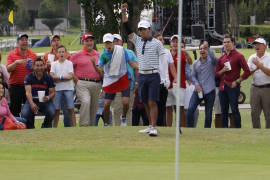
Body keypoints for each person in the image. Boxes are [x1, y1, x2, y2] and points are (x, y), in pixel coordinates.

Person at [122, 3, 165, 136]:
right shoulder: (138, 41)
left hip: (153, 76)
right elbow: (126, 28)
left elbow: (163, 61)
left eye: (144, 29)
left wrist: (164, 78)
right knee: (145, 101)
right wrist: (123, 13)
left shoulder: (157, 43)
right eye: (140, 29)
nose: (142, 31)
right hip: (142, 76)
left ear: (150, 29)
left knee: (152, 101)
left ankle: (154, 127)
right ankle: (150, 125)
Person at [97, 33, 138, 126]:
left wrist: (139, 68)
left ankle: (123, 116)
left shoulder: (123, 51)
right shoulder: (104, 55)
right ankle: (106, 123)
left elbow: (131, 63)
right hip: (111, 81)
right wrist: (98, 67)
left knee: (126, 102)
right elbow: (99, 67)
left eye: (110, 42)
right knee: (107, 104)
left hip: (123, 79)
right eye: (106, 43)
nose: (109, 45)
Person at [216, 34, 250, 128]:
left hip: (233, 87)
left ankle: (238, 130)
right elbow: (216, 74)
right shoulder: (221, 58)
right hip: (222, 87)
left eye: (228, 42)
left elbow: (247, 72)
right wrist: (223, 70)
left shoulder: (239, 56)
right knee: (224, 110)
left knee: (234, 109)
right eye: (224, 42)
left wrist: (237, 81)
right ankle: (224, 130)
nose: (226, 44)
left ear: (233, 43)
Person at [70, 32, 102, 126]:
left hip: (96, 84)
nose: (89, 43)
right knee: (86, 101)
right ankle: (84, 126)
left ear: (93, 42)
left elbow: (102, 70)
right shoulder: (77, 55)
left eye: (91, 40)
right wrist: (75, 79)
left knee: (94, 107)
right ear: (83, 42)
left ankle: (91, 127)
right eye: (87, 41)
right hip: (82, 83)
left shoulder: (98, 55)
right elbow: (69, 68)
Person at [43, 35, 72, 127]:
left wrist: (58, 76)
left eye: (57, 40)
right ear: (51, 43)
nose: (56, 42)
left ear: (60, 41)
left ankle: (68, 128)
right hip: (52, 86)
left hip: (65, 85)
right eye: (53, 40)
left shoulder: (67, 54)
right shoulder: (47, 55)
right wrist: (46, 66)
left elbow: (69, 71)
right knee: (55, 109)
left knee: (67, 109)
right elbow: (42, 71)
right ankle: (53, 128)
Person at [6, 34, 37, 117]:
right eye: (22, 40)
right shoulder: (11, 54)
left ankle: (30, 127)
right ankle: (15, 128)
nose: (24, 42)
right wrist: (16, 63)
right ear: (17, 42)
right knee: (14, 110)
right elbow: (8, 69)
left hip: (29, 86)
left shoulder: (33, 55)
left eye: (26, 40)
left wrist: (34, 67)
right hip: (15, 86)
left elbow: (38, 70)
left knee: (30, 109)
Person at [110, 33, 138, 126]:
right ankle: (117, 130)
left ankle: (128, 128)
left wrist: (136, 83)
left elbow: (136, 68)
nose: (116, 43)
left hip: (130, 85)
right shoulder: (108, 54)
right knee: (117, 109)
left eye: (117, 41)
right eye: (113, 41)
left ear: (122, 42)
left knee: (128, 108)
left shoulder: (130, 53)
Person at [187, 42, 216, 128]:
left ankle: (206, 131)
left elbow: (215, 58)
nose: (202, 50)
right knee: (190, 109)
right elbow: (193, 76)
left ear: (207, 49)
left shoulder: (212, 61)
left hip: (210, 91)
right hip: (198, 91)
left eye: (204, 48)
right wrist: (196, 84)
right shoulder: (196, 63)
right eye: (201, 49)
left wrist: (208, 47)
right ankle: (190, 129)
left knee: (208, 113)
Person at [21, 58, 55, 129]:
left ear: (44, 66)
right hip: (32, 100)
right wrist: (32, 104)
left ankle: (46, 126)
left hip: (45, 101)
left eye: (41, 65)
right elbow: (28, 93)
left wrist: (48, 97)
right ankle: (30, 128)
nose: (39, 67)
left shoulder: (48, 77)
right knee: (25, 113)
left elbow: (53, 92)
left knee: (51, 111)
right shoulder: (28, 77)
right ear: (33, 66)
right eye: (37, 65)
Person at [50, 45, 76, 128]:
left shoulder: (69, 63)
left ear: (66, 53)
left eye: (63, 52)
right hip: (57, 90)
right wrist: (64, 77)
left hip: (68, 89)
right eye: (59, 52)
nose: (61, 53)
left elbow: (70, 77)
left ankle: (74, 127)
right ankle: (54, 128)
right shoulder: (54, 64)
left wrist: (59, 78)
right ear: (56, 54)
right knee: (56, 110)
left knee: (71, 109)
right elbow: (52, 77)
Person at [154, 33, 177, 126]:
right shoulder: (151, 52)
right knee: (153, 105)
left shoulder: (167, 52)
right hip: (154, 82)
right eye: (159, 39)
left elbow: (172, 67)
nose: (161, 41)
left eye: (162, 39)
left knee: (162, 107)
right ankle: (153, 125)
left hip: (164, 83)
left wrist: (175, 78)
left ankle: (160, 126)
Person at [248, 38, 270, 128]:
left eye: (259, 44)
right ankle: (257, 133)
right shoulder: (251, 57)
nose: (256, 46)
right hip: (255, 88)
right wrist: (256, 68)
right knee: (254, 113)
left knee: (268, 114)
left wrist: (259, 65)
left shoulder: (269, 57)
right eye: (255, 44)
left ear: (264, 46)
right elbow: (247, 73)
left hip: (267, 88)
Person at [166, 35, 188, 127]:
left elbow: (189, 61)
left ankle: (182, 128)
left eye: (177, 42)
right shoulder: (167, 54)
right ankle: (169, 128)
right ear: (170, 43)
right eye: (173, 41)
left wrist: (184, 52)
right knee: (168, 108)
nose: (175, 43)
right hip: (168, 85)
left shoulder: (182, 53)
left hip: (180, 85)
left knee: (180, 108)